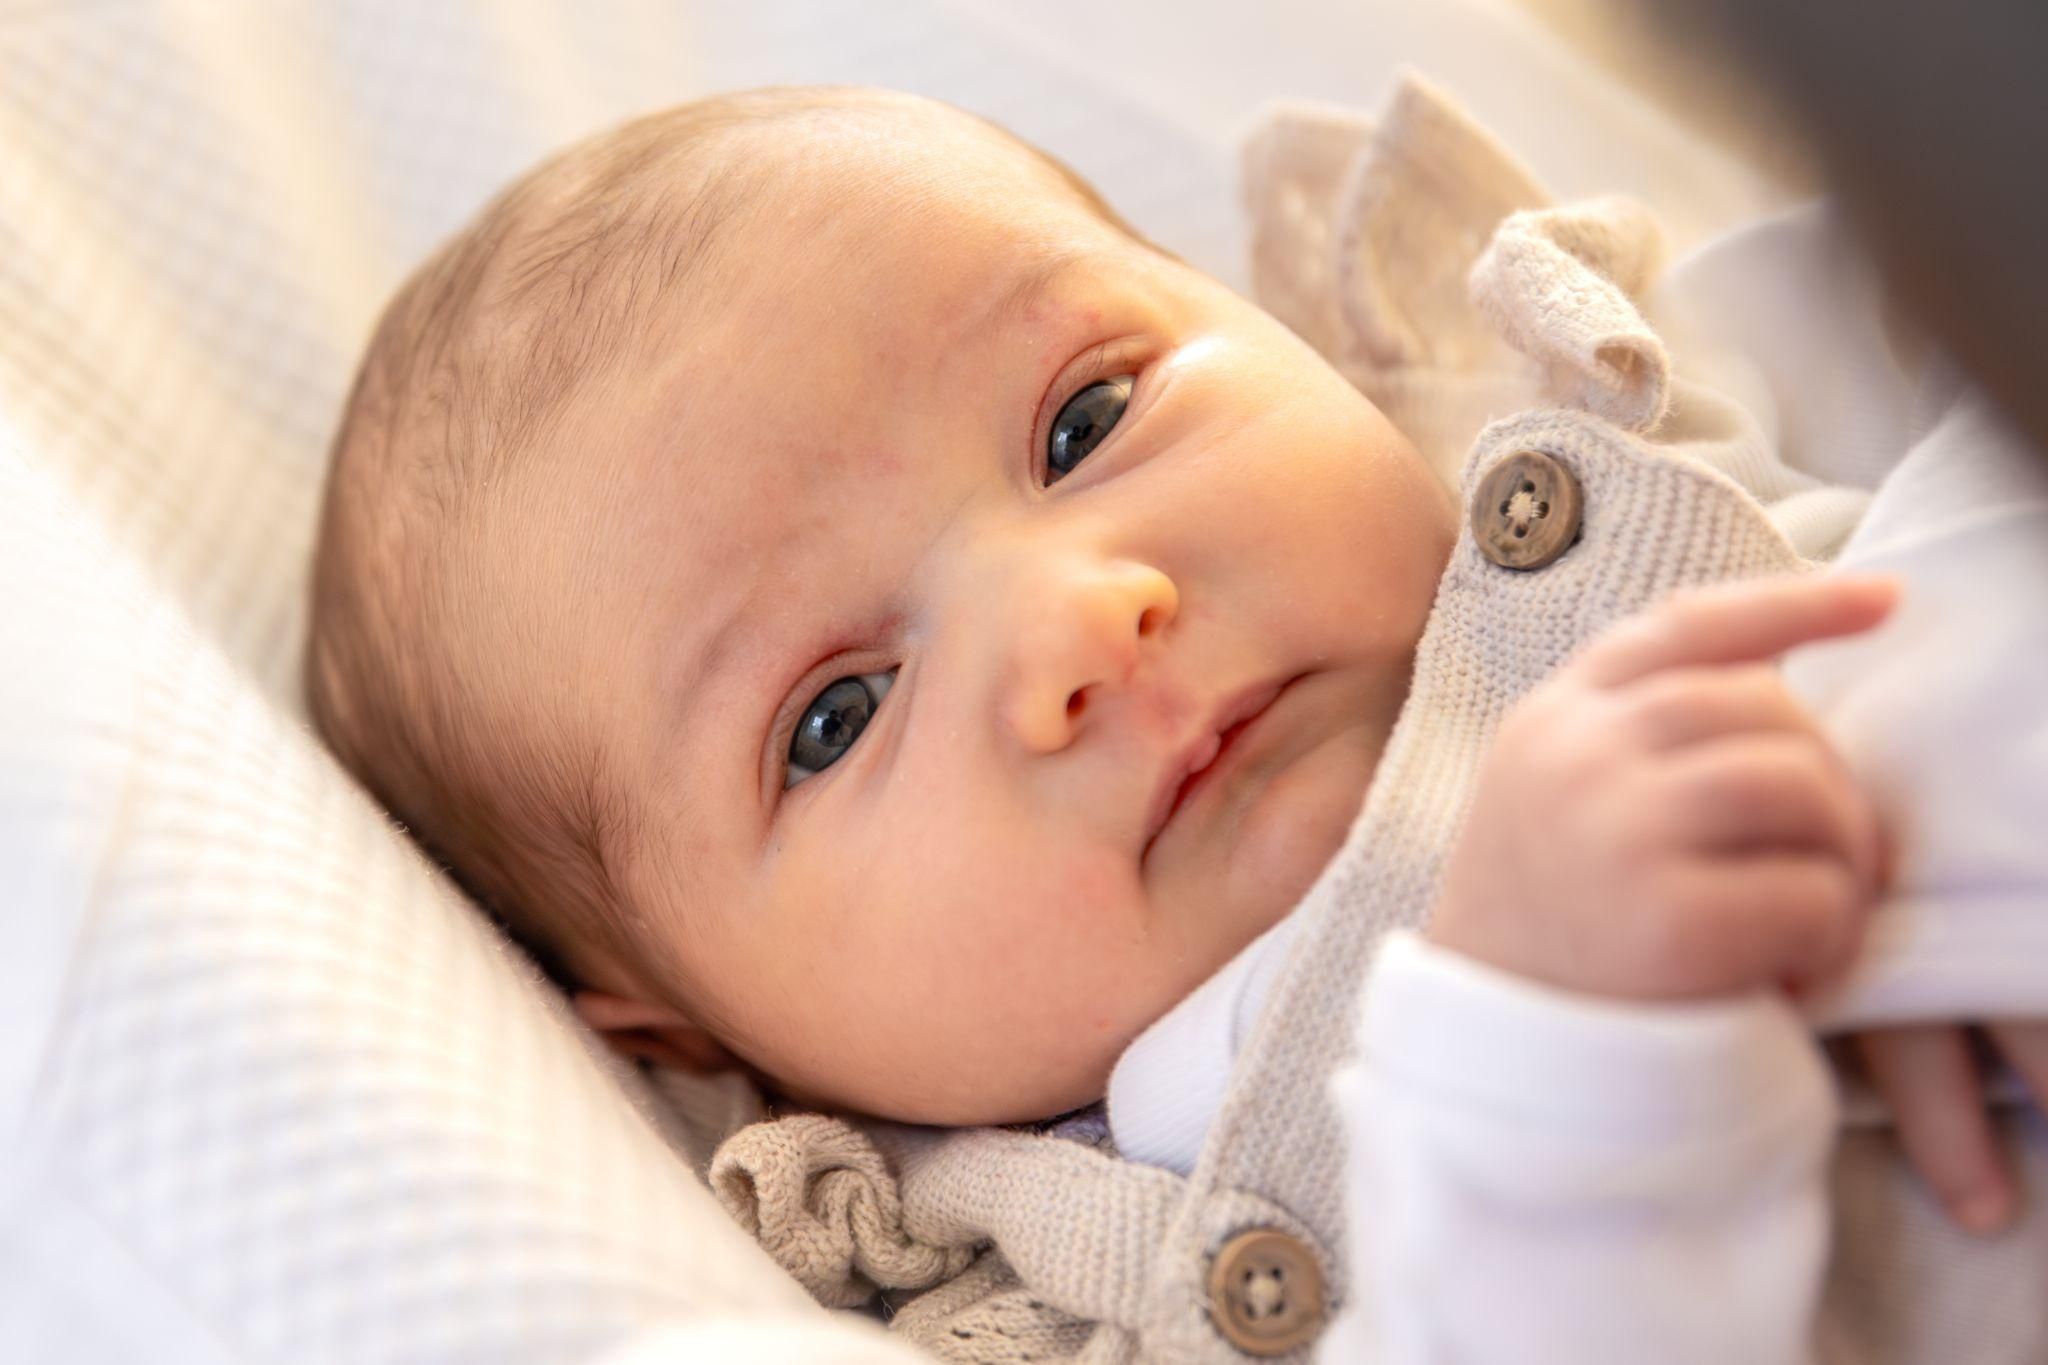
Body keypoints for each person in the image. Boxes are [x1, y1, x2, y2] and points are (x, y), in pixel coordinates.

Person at [305, 79, 2048, 1362]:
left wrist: (1906, 742)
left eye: (1082, 424)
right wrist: (1560, 1060)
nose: (1080, 619)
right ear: (688, 1027)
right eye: (835, 715)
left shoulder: (1637, 397)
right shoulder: (1057, 1295)